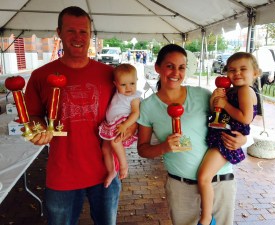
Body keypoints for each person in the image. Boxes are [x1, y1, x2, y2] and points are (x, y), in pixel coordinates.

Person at [24, 6, 135, 225]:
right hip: (62, 174)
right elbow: (34, 115)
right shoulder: (40, 76)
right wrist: (38, 130)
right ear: (59, 32)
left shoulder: (109, 75)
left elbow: (127, 109)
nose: (78, 37)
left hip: (105, 171)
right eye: (71, 31)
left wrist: (131, 126)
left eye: (83, 31)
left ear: (90, 34)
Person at [137, 44, 249, 225]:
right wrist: (164, 147)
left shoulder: (202, 95)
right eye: (169, 66)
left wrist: (242, 139)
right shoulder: (148, 106)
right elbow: (142, 149)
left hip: (219, 182)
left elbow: (231, 121)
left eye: (181, 67)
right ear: (157, 67)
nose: (176, 72)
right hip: (181, 188)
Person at [197, 52, 259, 225]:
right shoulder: (232, 91)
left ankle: (206, 217)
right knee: (204, 176)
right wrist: (216, 99)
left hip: (227, 137)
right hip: (221, 132)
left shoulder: (246, 90)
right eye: (232, 69)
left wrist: (224, 104)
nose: (236, 73)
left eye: (243, 69)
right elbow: (215, 111)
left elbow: (245, 118)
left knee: (203, 177)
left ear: (255, 73)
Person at [99, 64, 141, 188]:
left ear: (137, 81)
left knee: (115, 143)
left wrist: (125, 125)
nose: (128, 88)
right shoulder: (118, 92)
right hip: (111, 123)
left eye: (132, 83)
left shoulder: (134, 97)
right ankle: (111, 171)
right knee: (105, 149)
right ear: (116, 84)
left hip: (122, 122)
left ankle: (124, 166)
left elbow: (136, 113)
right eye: (123, 85)